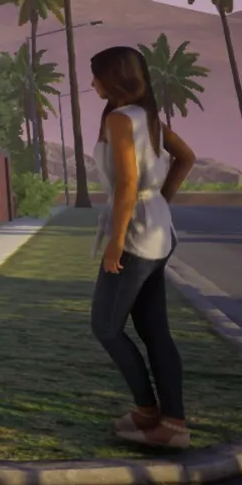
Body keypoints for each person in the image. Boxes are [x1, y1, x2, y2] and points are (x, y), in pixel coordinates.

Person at [87, 45, 196, 449]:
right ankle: (173, 423)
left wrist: (116, 243)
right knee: (155, 332)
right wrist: (161, 200)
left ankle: (150, 411)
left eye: (97, 75)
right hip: (159, 233)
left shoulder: (120, 119)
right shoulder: (147, 118)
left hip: (136, 237)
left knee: (106, 327)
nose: (92, 82)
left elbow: (128, 184)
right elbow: (187, 158)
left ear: (113, 78)